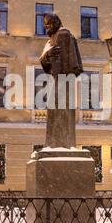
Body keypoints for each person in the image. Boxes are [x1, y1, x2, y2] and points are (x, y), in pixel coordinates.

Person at [39, 14, 83, 148]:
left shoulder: (63, 35)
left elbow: (71, 64)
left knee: (59, 109)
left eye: (50, 23)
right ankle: (56, 144)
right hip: (57, 79)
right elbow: (44, 61)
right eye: (46, 24)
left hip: (63, 79)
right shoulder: (51, 40)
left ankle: (61, 144)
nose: (47, 27)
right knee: (55, 108)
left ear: (57, 22)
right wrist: (48, 55)